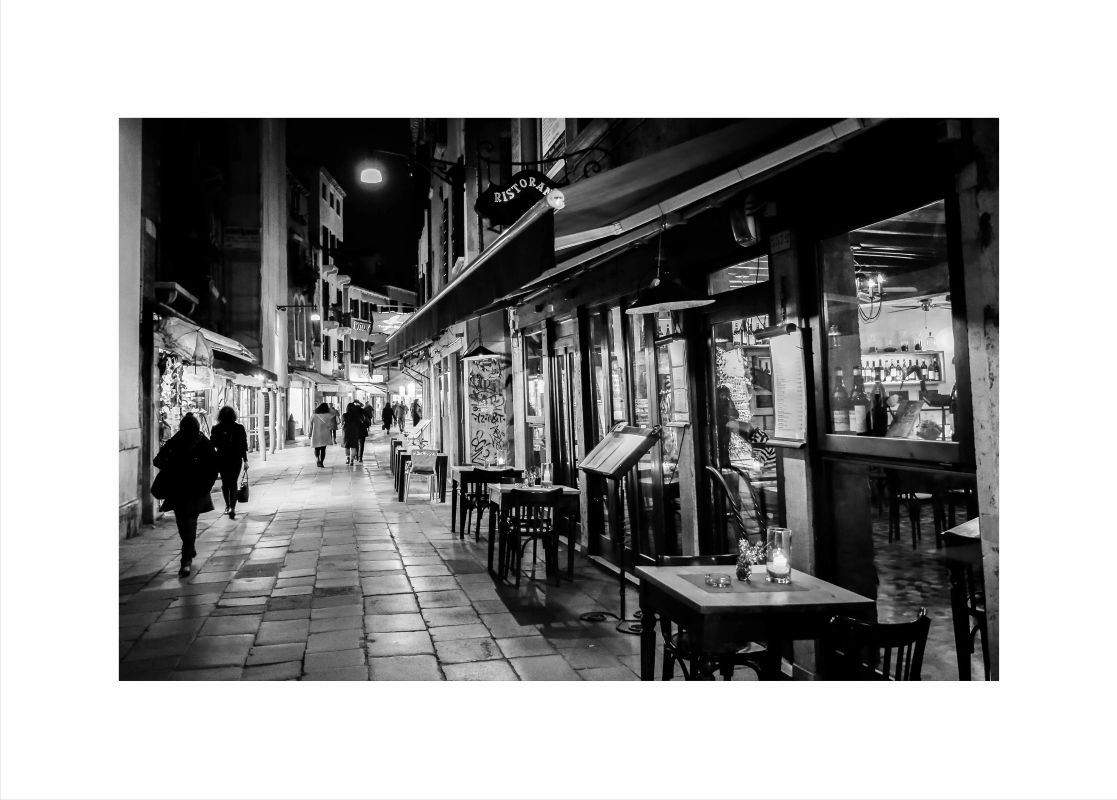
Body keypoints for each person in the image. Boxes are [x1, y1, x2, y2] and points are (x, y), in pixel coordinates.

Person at [152, 413, 218, 577]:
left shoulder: (201, 443)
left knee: (188, 523)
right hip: (182, 491)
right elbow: (158, 460)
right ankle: (190, 547)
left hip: (192, 491)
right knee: (185, 525)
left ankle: (186, 561)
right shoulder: (178, 442)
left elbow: (212, 467)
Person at [210, 405, 249, 519]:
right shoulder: (239, 428)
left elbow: (213, 444)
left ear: (220, 416)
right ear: (233, 415)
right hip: (236, 459)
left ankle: (227, 506)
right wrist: (245, 460)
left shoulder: (216, 428)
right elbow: (243, 445)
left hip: (222, 458)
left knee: (225, 483)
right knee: (233, 483)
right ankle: (233, 507)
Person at [310, 402, 334, 467]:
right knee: (323, 449)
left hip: (315, 434)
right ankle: (322, 462)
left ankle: (318, 459)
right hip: (325, 434)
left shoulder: (314, 415)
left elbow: (310, 426)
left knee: (316, 448)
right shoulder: (329, 415)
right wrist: (329, 409)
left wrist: (310, 433)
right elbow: (333, 415)